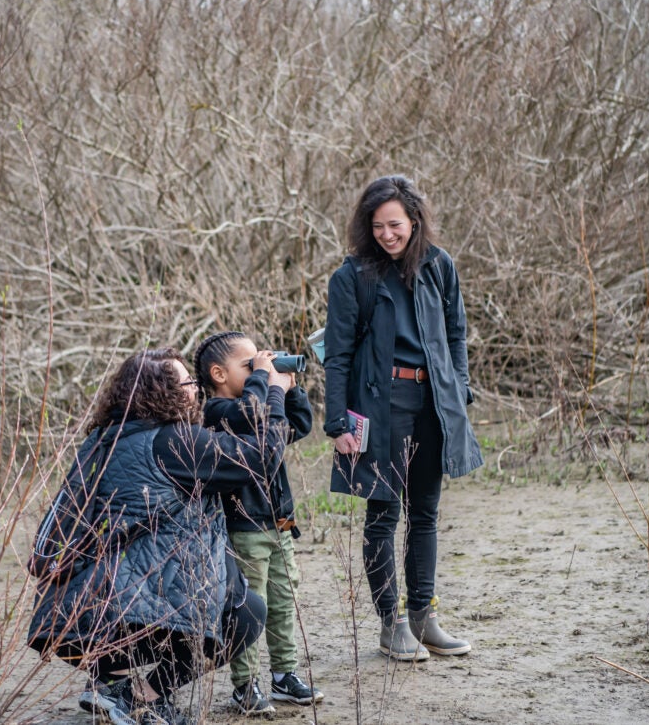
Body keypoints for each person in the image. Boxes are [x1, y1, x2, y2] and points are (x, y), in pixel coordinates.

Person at [27, 347, 291, 725]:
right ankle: (142, 698)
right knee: (246, 614)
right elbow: (262, 458)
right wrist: (273, 389)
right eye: (187, 383)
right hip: (124, 618)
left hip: (71, 619)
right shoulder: (174, 442)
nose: (196, 390)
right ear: (162, 393)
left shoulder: (102, 440)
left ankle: (110, 684)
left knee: (143, 576)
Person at [323, 175, 483, 661]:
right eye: (377, 226)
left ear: (414, 220)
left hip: (433, 401)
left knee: (425, 514)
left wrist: (459, 389)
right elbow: (337, 356)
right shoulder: (351, 277)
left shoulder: (439, 265)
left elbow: (456, 335)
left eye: (395, 224)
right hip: (381, 405)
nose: (387, 234)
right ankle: (390, 623)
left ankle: (422, 617)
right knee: (383, 514)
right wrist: (337, 424)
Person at [194, 331, 324, 716]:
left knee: (283, 602)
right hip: (244, 526)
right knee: (252, 606)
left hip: (279, 523)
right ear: (219, 374)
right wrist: (269, 384)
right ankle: (245, 684)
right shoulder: (216, 412)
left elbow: (297, 425)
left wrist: (291, 391)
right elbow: (250, 412)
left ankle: (284, 674)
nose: (259, 371)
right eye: (250, 366)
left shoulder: (261, 404)